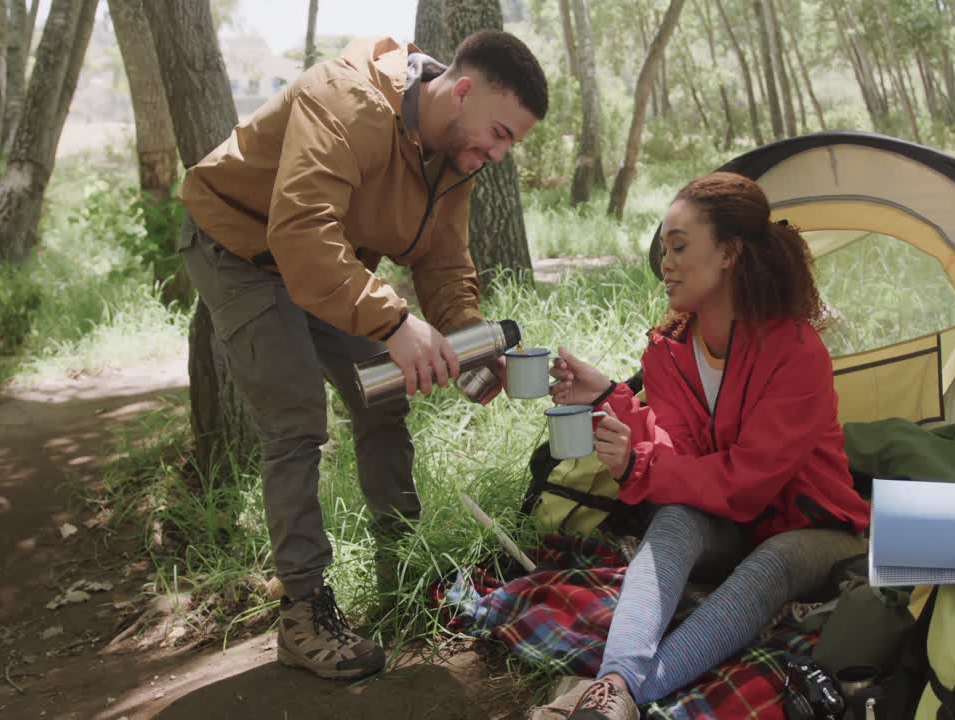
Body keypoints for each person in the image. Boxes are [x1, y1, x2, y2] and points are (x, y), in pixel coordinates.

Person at [175, 31, 548, 680]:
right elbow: (299, 233)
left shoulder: (456, 153)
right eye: (501, 132)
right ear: (460, 92)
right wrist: (396, 322)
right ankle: (304, 614)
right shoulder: (346, 100)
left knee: (383, 395)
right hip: (241, 248)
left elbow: (443, 261)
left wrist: (470, 348)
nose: (500, 152)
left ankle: (401, 574)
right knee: (296, 420)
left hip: (329, 265)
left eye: (510, 141)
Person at [545, 172, 871, 719]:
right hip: (735, 524)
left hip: (816, 530)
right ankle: (614, 688)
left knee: (774, 559)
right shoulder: (668, 352)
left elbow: (744, 484)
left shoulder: (796, 352)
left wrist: (641, 463)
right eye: (663, 248)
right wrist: (611, 397)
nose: (664, 263)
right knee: (674, 517)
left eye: (679, 247)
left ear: (728, 253)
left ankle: (625, 690)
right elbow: (686, 462)